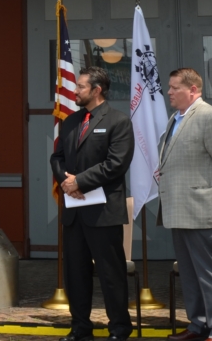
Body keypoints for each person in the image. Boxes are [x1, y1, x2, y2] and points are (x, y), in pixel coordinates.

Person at [155, 68, 212, 341]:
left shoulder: (209, 117)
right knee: (190, 275)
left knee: (211, 274)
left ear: (193, 89)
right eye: (169, 87)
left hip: (204, 211)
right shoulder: (175, 119)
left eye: (174, 87)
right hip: (179, 210)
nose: (168, 92)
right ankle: (199, 326)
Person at [50, 66, 135, 341]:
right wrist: (66, 181)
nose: (75, 91)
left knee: (111, 274)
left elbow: (116, 164)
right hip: (74, 214)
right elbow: (57, 157)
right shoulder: (71, 121)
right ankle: (80, 327)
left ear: (97, 90)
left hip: (103, 213)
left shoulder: (118, 121)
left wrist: (80, 182)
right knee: (76, 273)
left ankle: (119, 328)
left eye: (81, 87)